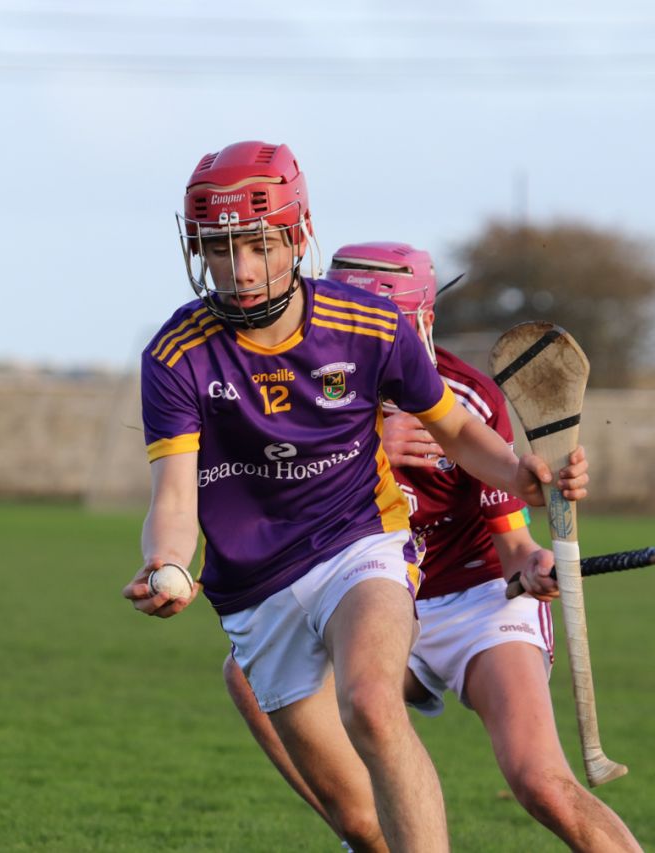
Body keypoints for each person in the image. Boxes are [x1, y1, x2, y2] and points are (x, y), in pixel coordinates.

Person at [122, 141, 589, 853]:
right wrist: (169, 562)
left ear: (297, 236)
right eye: (219, 249)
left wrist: (516, 471)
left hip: (359, 545)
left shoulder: (367, 324)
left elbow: (457, 429)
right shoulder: (176, 356)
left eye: (258, 245)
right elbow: (176, 497)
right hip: (256, 590)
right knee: (364, 826)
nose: (241, 270)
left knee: (371, 703)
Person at [222, 241, 641, 852]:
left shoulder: (464, 399)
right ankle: (368, 834)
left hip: (478, 599)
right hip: (367, 598)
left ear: (419, 323)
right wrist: (360, 451)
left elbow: (514, 548)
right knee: (248, 674)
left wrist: (535, 566)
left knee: (541, 783)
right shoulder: (299, 390)